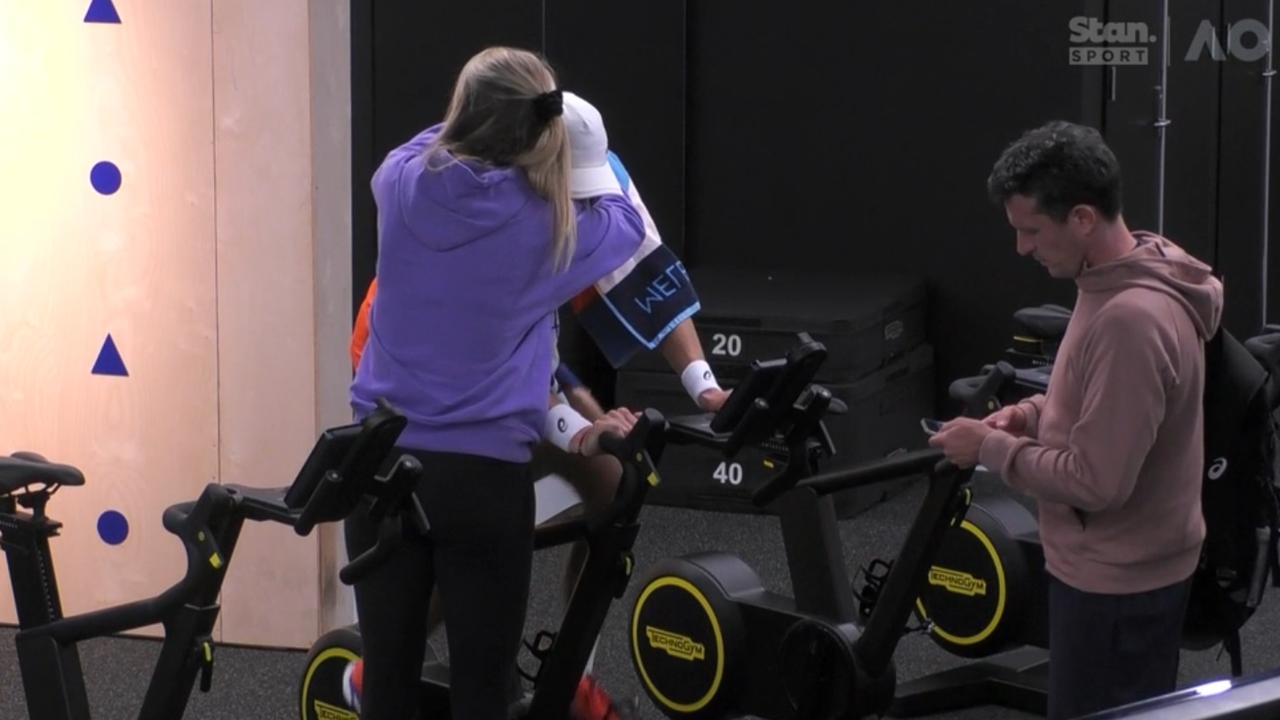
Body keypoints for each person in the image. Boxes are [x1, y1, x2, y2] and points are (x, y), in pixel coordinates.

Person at [345, 91, 729, 719]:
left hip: (524, 340)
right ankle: (389, 656)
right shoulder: (480, 211)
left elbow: (647, 268)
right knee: (474, 508)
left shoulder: (587, 166)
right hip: (419, 362)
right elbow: (515, 375)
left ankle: (570, 677)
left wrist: (704, 385)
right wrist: (579, 427)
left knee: (611, 483)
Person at [928, 120, 1223, 719]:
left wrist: (989, 448)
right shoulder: (1121, 275)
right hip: (1121, 572)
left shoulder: (1130, 318)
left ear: (1083, 219)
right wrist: (1034, 415)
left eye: (1032, 231)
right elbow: (1106, 404)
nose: (1023, 248)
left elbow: (1097, 482)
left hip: (1119, 585)